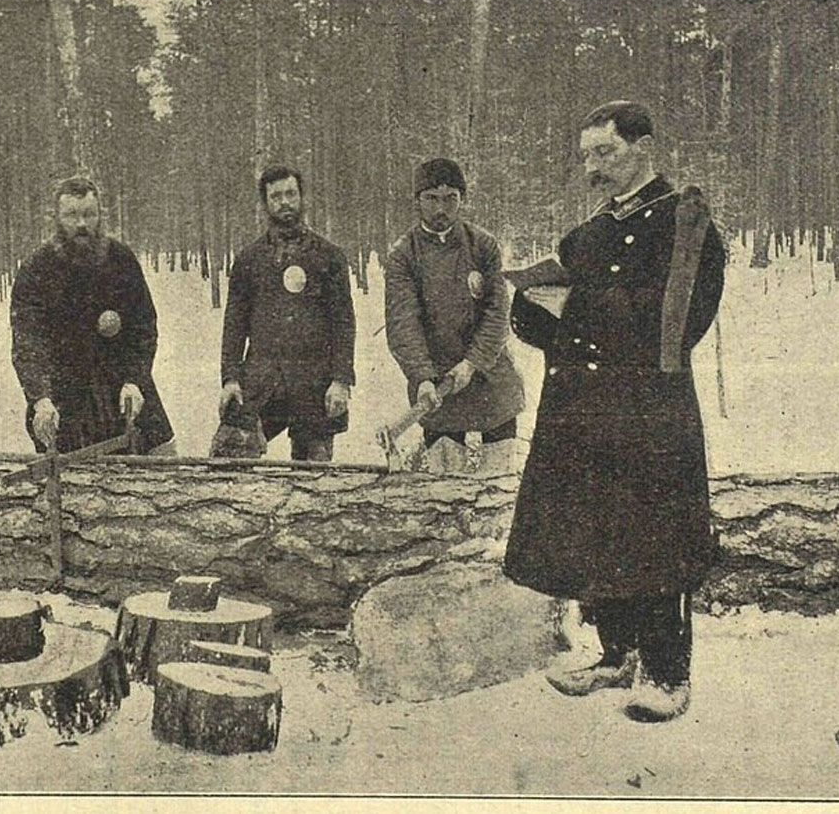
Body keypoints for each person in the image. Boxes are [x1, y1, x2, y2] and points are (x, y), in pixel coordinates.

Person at [504, 101, 726, 722]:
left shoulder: (683, 223)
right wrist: (533, 308)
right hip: (586, 408)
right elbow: (551, 320)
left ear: (643, 147)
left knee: (655, 537)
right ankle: (615, 654)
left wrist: (578, 307)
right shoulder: (593, 230)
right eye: (586, 157)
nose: (592, 168)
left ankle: (667, 673)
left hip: (649, 410)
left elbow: (680, 323)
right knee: (597, 530)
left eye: (605, 153)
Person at [11, 176, 173, 455]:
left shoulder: (121, 259)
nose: (82, 224)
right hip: (65, 397)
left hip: (123, 393)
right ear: (56, 218)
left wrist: (134, 380)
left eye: (89, 214)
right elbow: (28, 343)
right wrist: (41, 399)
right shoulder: (37, 269)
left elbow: (144, 328)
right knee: (72, 472)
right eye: (72, 215)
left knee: (160, 465)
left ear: (100, 215)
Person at [383, 158, 525, 462]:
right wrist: (422, 376)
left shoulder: (483, 245)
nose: (441, 208)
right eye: (431, 198)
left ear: (462, 199)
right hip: (438, 387)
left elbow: (498, 313)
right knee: (444, 481)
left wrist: (472, 363)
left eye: (450, 198)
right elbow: (403, 324)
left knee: (499, 478)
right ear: (417, 201)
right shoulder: (403, 255)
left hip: (491, 379)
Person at [217, 166, 356, 461]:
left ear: (302, 197)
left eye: (291, 194)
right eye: (276, 196)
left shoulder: (328, 256)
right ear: (265, 203)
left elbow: (343, 324)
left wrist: (341, 381)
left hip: (314, 385)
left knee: (313, 474)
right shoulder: (249, 259)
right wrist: (230, 379)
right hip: (262, 382)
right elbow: (234, 325)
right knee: (228, 460)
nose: (285, 202)